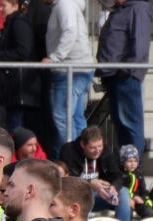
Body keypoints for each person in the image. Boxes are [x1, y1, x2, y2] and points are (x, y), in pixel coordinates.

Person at [96, 0, 150, 152]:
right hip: (113, 75)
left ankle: (135, 168)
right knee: (120, 123)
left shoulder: (138, 8)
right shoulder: (119, 10)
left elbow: (140, 44)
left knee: (130, 124)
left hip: (125, 77)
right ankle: (125, 166)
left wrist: (126, 71)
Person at [43, 0, 93, 151]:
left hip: (70, 69)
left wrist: (55, 57)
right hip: (79, 68)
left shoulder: (65, 4)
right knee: (76, 118)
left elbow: (70, 30)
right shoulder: (65, 5)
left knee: (63, 116)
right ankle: (83, 157)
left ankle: (72, 157)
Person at [0, 0, 43, 133]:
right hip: (15, 86)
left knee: (15, 128)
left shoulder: (19, 23)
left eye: (4, 6)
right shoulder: (12, 23)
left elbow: (23, 50)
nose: (0, 9)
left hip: (20, 87)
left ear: (15, 6)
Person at [58, 125, 130, 221]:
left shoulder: (105, 150)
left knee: (123, 191)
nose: (97, 150)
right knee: (84, 196)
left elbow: (117, 175)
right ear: (82, 145)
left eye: (100, 146)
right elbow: (67, 179)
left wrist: (114, 187)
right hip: (78, 195)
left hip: (100, 195)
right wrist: (90, 183)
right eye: (92, 147)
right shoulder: (69, 151)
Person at [119, 144, 153, 219]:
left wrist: (144, 200)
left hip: (138, 201)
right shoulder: (120, 175)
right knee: (127, 211)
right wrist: (131, 197)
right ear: (123, 162)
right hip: (124, 201)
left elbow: (143, 190)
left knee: (149, 212)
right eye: (129, 161)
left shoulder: (139, 175)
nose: (133, 164)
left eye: (135, 161)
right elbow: (120, 189)